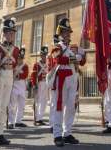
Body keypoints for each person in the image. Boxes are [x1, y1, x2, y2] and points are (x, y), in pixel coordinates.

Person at [48, 18, 86, 147]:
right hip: (62, 78)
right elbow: (57, 59)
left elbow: (82, 61)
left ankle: (67, 132)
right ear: (60, 33)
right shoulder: (57, 46)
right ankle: (57, 134)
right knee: (60, 106)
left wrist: (81, 56)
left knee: (71, 107)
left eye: (68, 32)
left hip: (72, 78)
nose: (67, 34)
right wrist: (74, 58)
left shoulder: (72, 47)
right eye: (64, 32)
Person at [0, 19, 20, 146]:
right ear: (4, 34)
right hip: (1, 75)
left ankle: (0, 132)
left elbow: (15, 64)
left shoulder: (16, 50)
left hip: (10, 75)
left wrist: (14, 73)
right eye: (8, 33)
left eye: (12, 33)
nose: (11, 35)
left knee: (5, 105)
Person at [8, 47, 29, 129]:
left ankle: (18, 121)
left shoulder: (25, 66)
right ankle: (11, 122)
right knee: (12, 105)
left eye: (21, 58)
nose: (20, 60)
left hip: (22, 86)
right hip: (14, 86)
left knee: (21, 105)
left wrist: (18, 76)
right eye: (19, 58)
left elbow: (25, 75)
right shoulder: (13, 65)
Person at [31, 46, 48, 126]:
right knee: (38, 101)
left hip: (46, 83)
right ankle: (36, 117)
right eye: (43, 55)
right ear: (40, 55)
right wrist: (34, 84)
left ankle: (40, 118)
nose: (44, 56)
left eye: (45, 55)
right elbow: (33, 75)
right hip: (40, 83)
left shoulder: (48, 64)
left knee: (44, 101)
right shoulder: (37, 65)